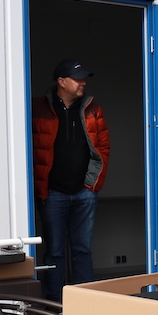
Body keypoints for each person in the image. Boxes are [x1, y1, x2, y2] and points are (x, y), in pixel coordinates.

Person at [32, 58, 110, 301]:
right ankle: (54, 303)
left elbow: (103, 149)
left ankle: (85, 302)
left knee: (82, 250)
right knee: (54, 251)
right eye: (78, 79)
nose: (83, 83)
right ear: (61, 81)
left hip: (84, 192)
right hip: (52, 192)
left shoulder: (92, 109)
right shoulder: (37, 108)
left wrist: (92, 184)